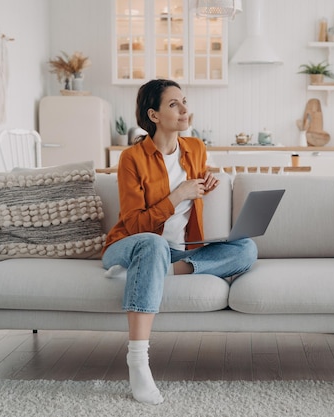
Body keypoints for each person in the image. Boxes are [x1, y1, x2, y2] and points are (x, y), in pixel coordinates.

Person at [102, 79, 258, 404]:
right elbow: (134, 225)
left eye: (184, 101)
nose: (185, 109)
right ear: (154, 115)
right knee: (153, 245)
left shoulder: (196, 149)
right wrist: (177, 196)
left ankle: (161, 271)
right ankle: (138, 362)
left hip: (179, 251)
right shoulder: (132, 158)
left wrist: (208, 178)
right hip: (128, 246)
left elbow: (195, 178)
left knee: (246, 248)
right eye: (174, 104)